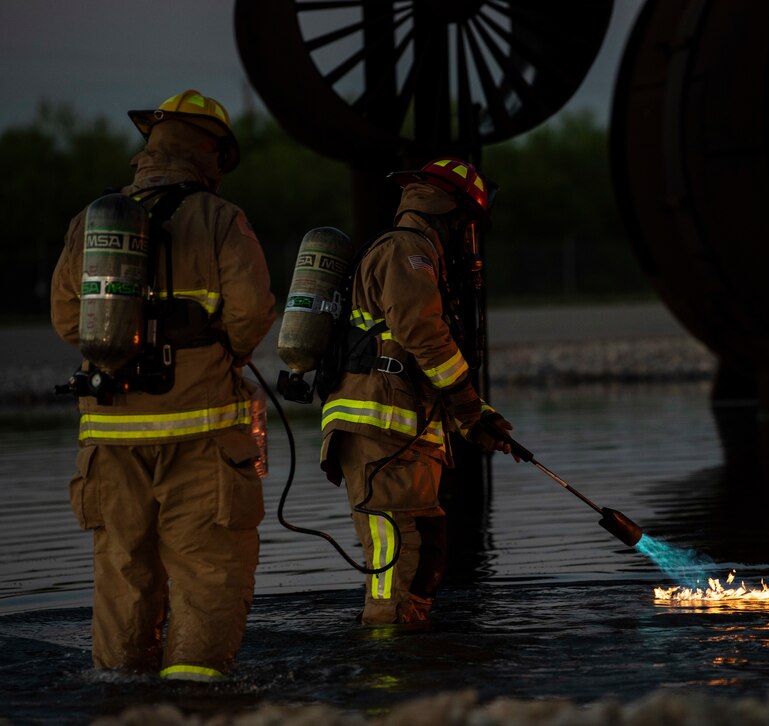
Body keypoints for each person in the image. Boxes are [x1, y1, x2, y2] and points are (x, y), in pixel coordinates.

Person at [50, 90, 277, 680]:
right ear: (212, 153)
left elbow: (67, 319)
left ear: (150, 145)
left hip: (108, 437)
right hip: (201, 433)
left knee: (123, 573)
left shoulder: (90, 220)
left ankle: (121, 697)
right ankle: (197, 704)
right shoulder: (224, 221)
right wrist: (219, 353)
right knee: (209, 571)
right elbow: (251, 313)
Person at [319, 157, 517, 626]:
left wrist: (477, 417)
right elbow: (423, 335)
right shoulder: (407, 252)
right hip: (381, 434)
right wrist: (468, 405)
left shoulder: (419, 257)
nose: (468, 238)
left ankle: (411, 664)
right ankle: (388, 676)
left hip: (402, 434)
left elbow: (422, 365)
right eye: (466, 225)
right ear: (447, 212)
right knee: (398, 566)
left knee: (423, 557)